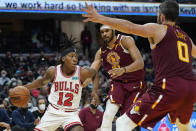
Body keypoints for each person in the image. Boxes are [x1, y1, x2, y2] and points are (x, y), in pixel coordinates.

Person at [82, 0, 196, 131]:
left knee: (122, 123)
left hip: (169, 86)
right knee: (184, 127)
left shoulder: (159, 29)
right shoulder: (186, 37)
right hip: (190, 88)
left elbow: (130, 27)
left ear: (162, 16)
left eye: (158, 14)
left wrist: (101, 18)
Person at [23, 35, 98, 131]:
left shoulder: (82, 72)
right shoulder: (53, 71)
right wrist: (25, 87)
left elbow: (95, 74)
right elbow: (41, 82)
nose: (75, 59)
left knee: (78, 129)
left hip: (71, 113)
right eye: (71, 56)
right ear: (63, 59)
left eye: (76, 57)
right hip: (53, 112)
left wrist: (94, 92)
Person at [83, 24, 145, 131]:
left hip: (135, 84)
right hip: (118, 85)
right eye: (102, 32)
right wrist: (81, 83)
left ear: (114, 30)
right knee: (107, 116)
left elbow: (140, 63)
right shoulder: (101, 51)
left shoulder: (125, 41)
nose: (104, 34)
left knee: (123, 121)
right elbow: (92, 72)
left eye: (107, 31)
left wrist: (123, 70)